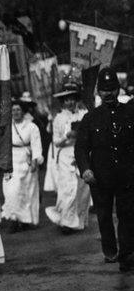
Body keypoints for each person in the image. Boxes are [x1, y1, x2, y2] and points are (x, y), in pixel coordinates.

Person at [75, 67, 134, 271]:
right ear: (98, 92)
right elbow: (81, 147)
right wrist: (85, 169)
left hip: (126, 174)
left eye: (112, 89)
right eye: (104, 90)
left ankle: (127, 254)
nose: (108, 94)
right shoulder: (90, 118)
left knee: (127, 214)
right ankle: (111, 251)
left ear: (118, 90)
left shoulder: (129, 113)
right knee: (104, 215)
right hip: (100, 177)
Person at [45, 86, 91, 234]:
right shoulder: (59, 118)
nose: (69, 102)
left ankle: (79, 220)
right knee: (68, 189)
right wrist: (68, 135)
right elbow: (56, 142)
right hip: (66, 155)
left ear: (76, 99)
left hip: (82, 153)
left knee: (83, 188)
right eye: (66, 100)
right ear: (62, 102)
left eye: (71, 98)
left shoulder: (84, 114)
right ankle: (66, 221)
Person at [1, 100, 43, 232]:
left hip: (27, 160)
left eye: (18, 110)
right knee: (12, 191)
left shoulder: (31, 127)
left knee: (27, 192)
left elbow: (36, 144)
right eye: (13, 110)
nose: (15, 112)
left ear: (23, 111)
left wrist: (36, 161)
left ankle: (26, 220)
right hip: (12, 160)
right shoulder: (6, 126)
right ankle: (14, 219)